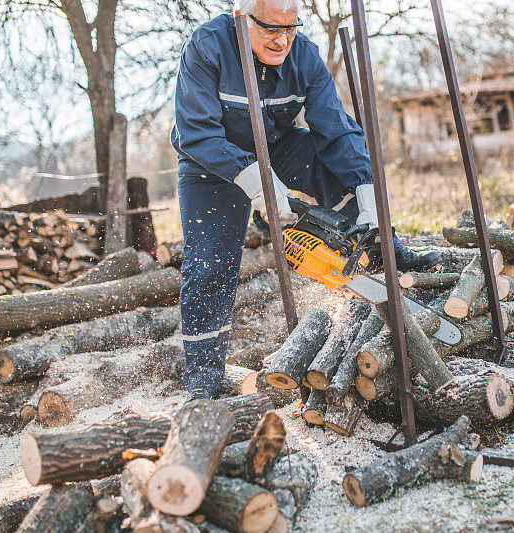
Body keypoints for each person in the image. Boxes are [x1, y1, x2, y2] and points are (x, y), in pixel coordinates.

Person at [170, 0, 440, 399]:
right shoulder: (207, 46)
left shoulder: (306, 56)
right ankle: (203, 376)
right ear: (242, 20)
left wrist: (365, 187)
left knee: (334, 163)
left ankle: (383, 249)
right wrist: (258, 184)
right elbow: (196, 133)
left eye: (290, 29)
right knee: (209, 262)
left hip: (277, 148)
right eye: (270, 31)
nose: (282, 41)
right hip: (210, 161)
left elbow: (335, 127)